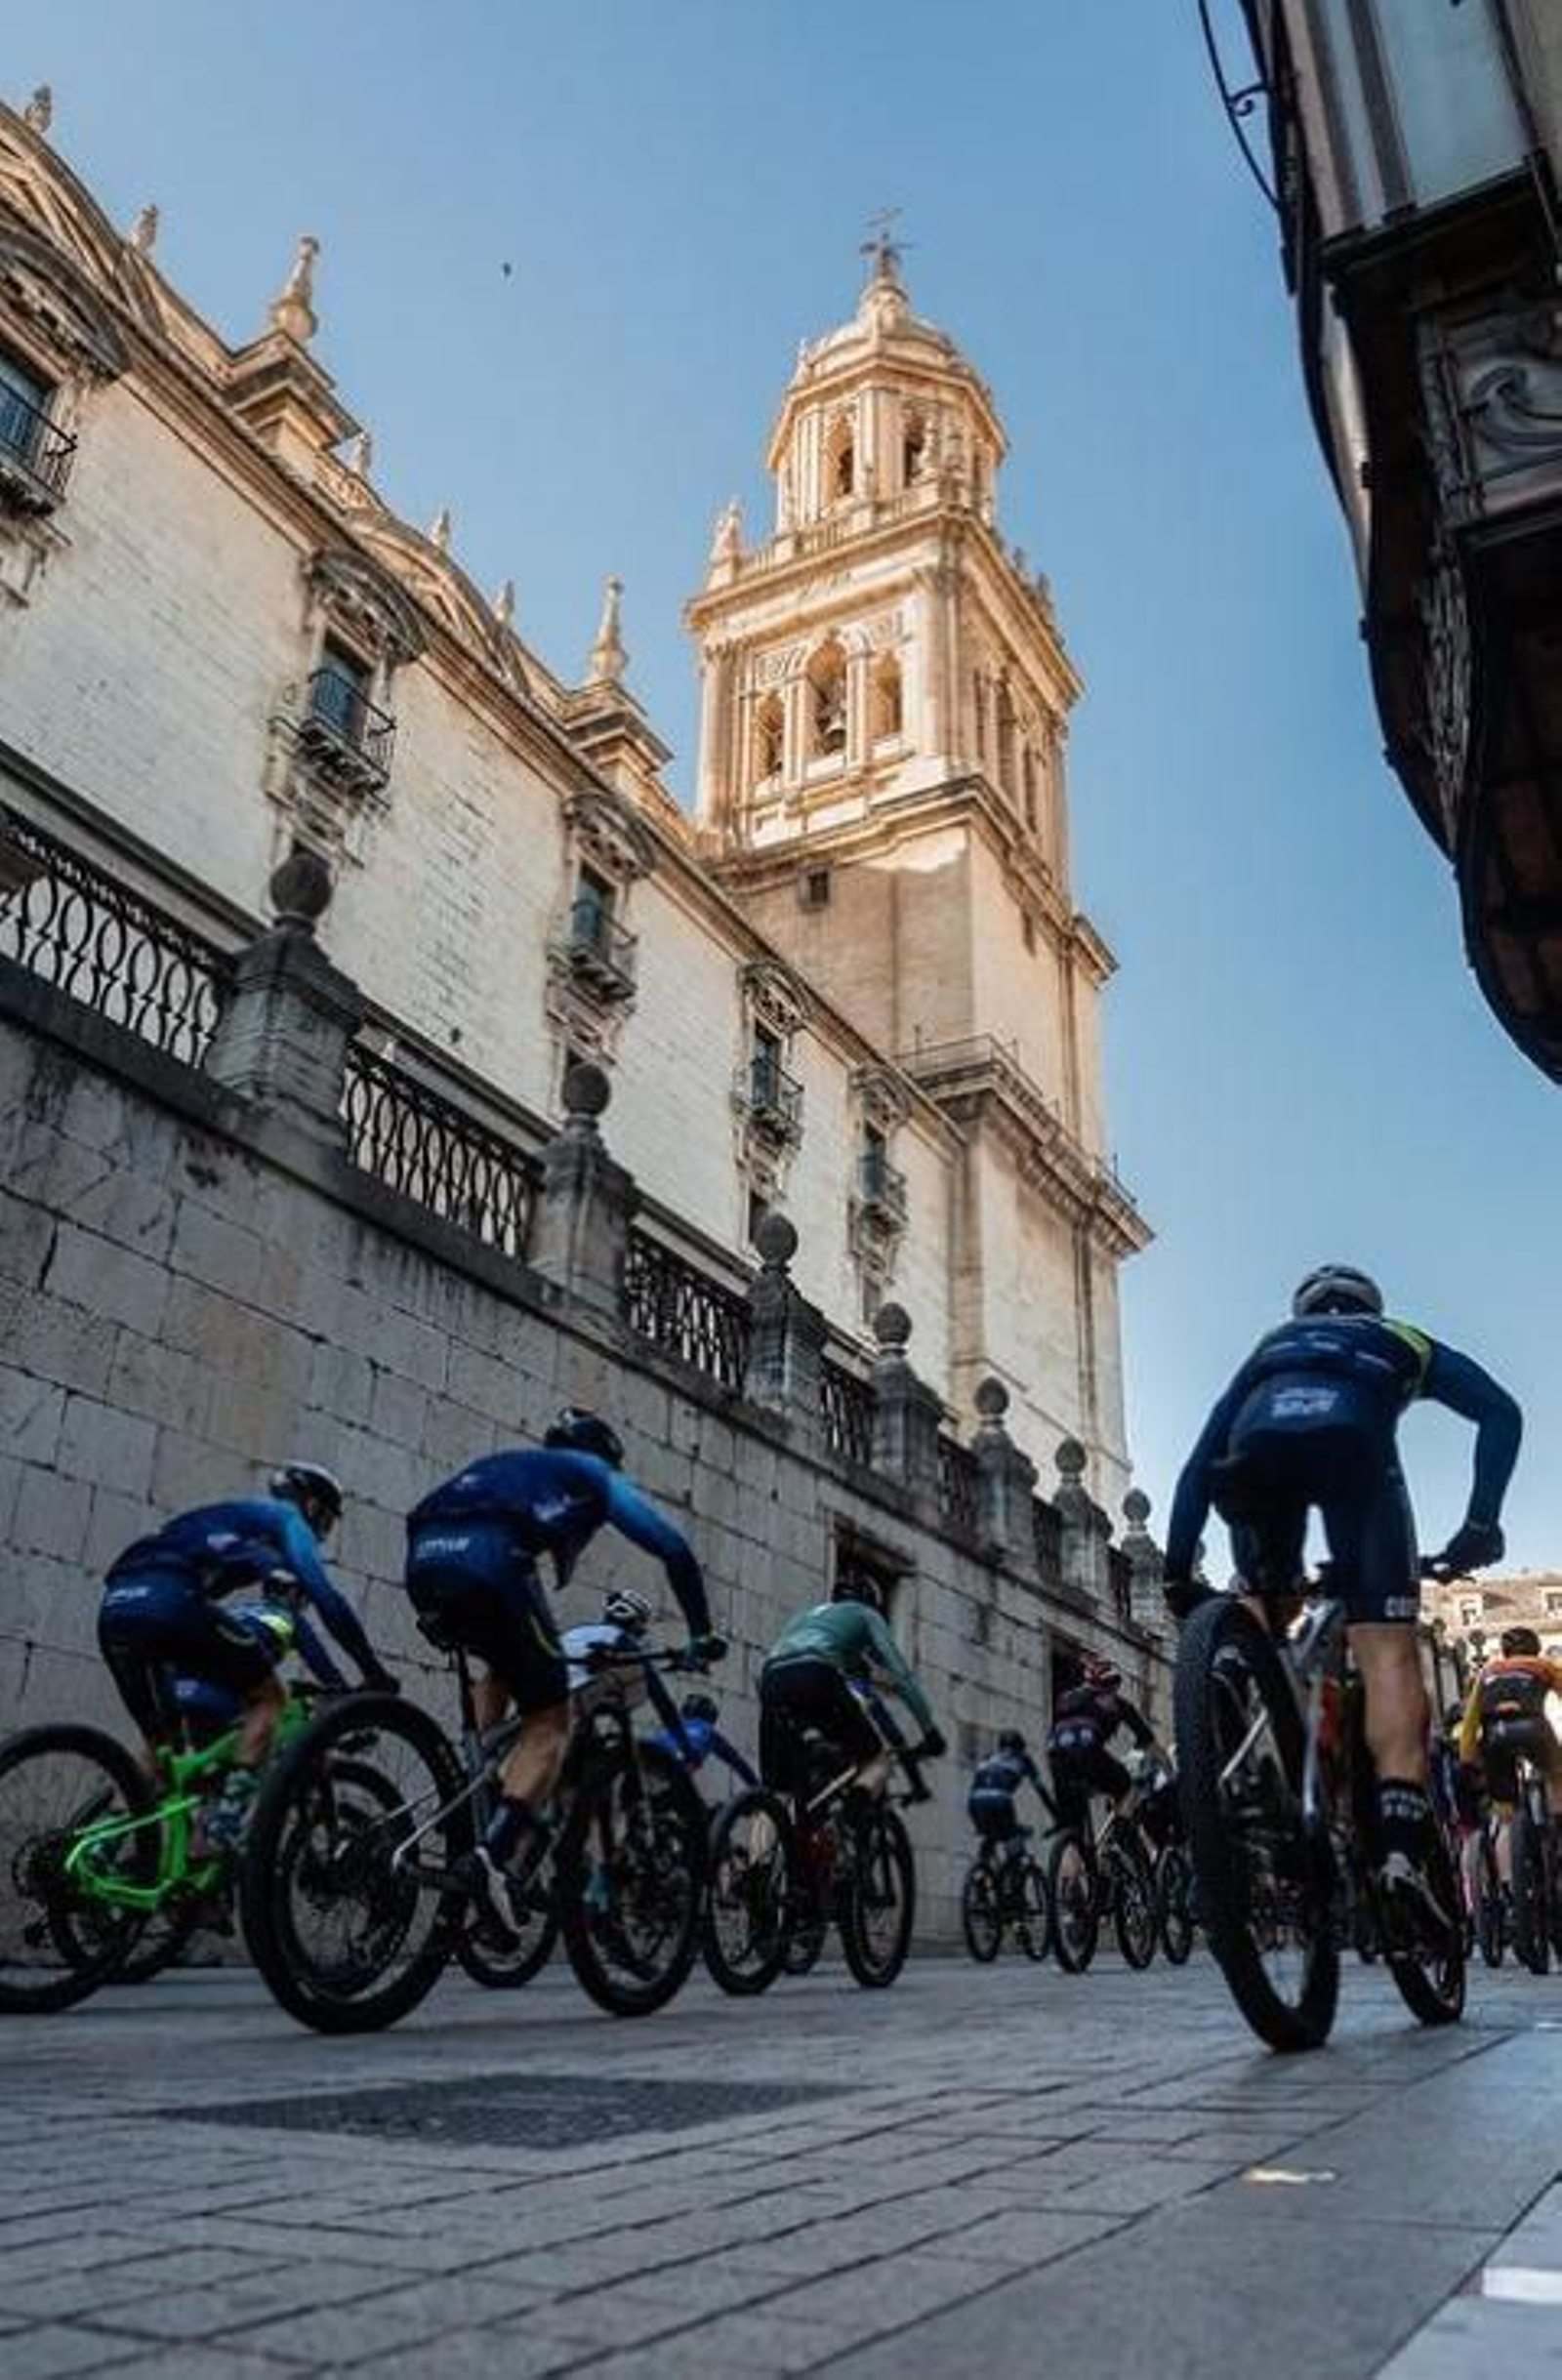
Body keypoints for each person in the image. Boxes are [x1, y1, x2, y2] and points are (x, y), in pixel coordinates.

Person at [1163, 1262, 1522, 1936]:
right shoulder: (1398, 1337)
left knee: (1268, 1606)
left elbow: (1196, 1464)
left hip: (1254, 1454)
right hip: (1356, 1453)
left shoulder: (1271, 1347)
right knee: (1387, 1654)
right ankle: (1401, 1843)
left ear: (1302, 1311)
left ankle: (1240, 1688)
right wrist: (1480, 1524)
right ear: (1368, 1305)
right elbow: (1501, 1412)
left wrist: (1178, 1574)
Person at [404, 1409, 723, 1933]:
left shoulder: (511, 1464)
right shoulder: (593, 1474)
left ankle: (475, 1778)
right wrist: (701, 1633)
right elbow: (672, 1547)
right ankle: (492, 1858)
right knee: (550, 1724)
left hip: (423, 1559)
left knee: (503, 1667)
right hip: (493, 1560)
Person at [98, 1462, 392, 1847]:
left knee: (160, 1750)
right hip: (171, 1601)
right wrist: (373, 1673)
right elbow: (325, 1597)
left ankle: (100, 1846)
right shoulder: (286, 1520)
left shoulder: (233, 1526)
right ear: (313, 1507)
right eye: (326, 1523)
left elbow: (203, 1607)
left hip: (116, 1605)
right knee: (271, 1699)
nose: (321, 1535)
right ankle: (221, 1828)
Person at [758, 1580, 944, 1801]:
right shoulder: (865, 1614)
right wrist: (930, 1731)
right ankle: (858, 1805)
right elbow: (901, 1677)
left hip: (770, 1679)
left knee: (777, 1795)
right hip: (814, 1674)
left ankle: (759, 1832)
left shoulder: (805, 1617)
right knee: (877, 1760)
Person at [1457, 1626, 1562, 1862]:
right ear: (1536, 1649)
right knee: (1557, 1775)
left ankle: (1508, 1884)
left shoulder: (1486, 1673)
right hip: (1534, 1729)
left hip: (1495, 1734)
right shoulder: (1543, 1666)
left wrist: (1467, 1759)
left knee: (1505, 1813)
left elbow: (1471, 1722)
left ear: (1504, 1652)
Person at [1046, 1660, 1163, 1833]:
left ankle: (1072, 1849)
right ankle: (1121, 1827)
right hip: (1088, 1757)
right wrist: (1169, 1772)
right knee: (1127, 1786)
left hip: (1056, 1759)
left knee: (1072, 1828)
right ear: (1115, 1685)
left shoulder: (1066, 1698)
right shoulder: (1118, 1704)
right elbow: (1151, 1744)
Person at [967, 1730, 1055, 1866]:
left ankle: (981, 1871)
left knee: (991, 1834)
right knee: (1014, 1841)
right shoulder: (1024, 1760)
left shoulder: (988, 1758)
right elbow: (1041, 1791)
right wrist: (1056, 1815)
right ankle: (1014, 1877)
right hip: (1000, 1802)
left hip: (974, 1803)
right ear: (1020, 1748)